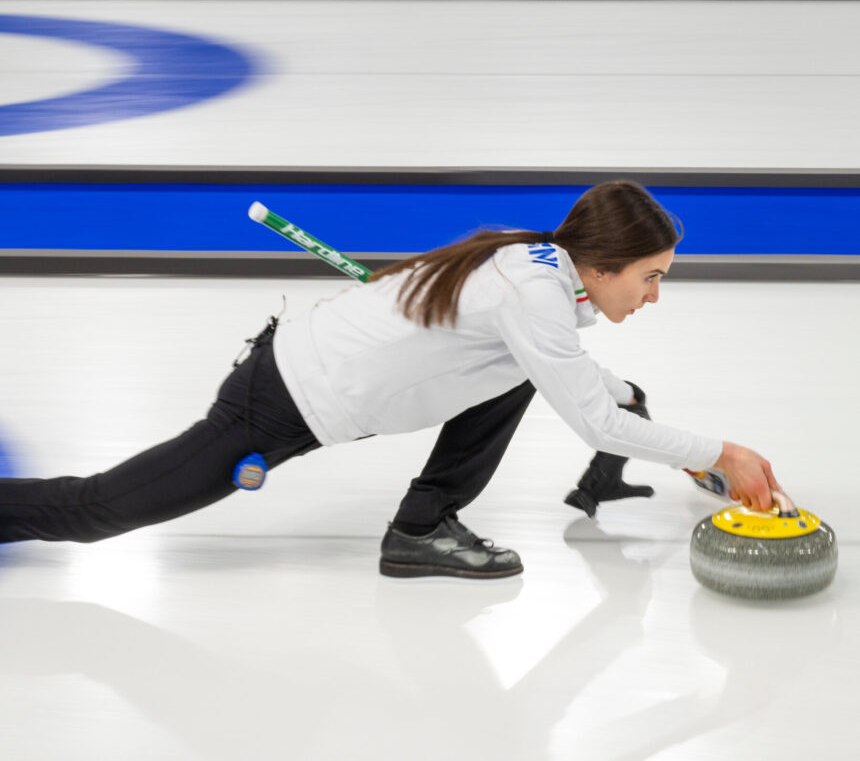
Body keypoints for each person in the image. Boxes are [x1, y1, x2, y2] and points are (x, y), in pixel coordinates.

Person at [0, 180, 779, 579]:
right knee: (100, 509)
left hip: (310, 387)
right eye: (650, 278)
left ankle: (421, 529)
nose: (653, 296)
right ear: (602, 266)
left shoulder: (542, 268)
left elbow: (580, 383)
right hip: (278, 404)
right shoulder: (533, 292)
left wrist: (675, 442)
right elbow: (595, 418)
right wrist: (722, 451)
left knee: (522, 376)